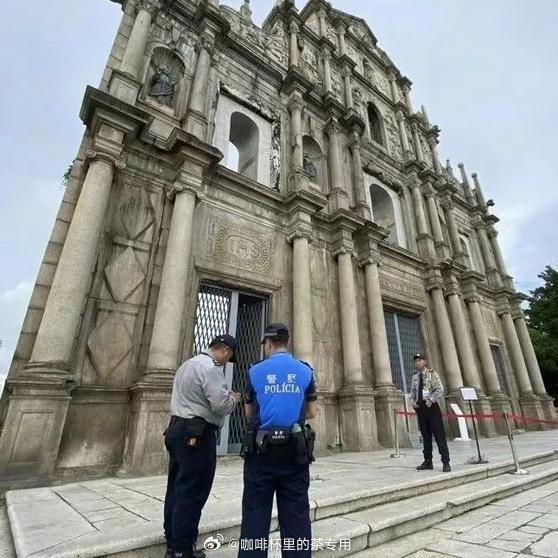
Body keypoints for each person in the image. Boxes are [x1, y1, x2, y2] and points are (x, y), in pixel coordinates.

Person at [238, 324, 318, 558]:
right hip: (295, 453)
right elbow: (312, 411)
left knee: (255, 514)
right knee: (296, 516)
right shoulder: (305, 371)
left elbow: (249, 412)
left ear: (269, 344)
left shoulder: (255, 371)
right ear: (288, 343)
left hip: (261, 453)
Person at [164, 334, 241, 558]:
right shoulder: (210, 369)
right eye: (229, 356)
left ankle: (173, 541)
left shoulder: (186, 365)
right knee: (193, 490)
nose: (227, 361)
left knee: (177, 488)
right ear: (225, 350)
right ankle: (182, 549)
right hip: (197, 433)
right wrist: (233, 399)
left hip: (177, 429)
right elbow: (220, 405)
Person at [410, 353, 451, 472]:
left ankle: (446, 461)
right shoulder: (414, 377)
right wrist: (413, 402)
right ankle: (428, 461)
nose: (417, 363)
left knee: (439, 435)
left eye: (420, 360)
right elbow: (413, 391)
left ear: (425, 362)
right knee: (425, 436)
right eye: (416, 361)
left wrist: (431, 400)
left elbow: (439, 389)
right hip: (421, 408)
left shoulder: (432, 374)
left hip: (432, 407)